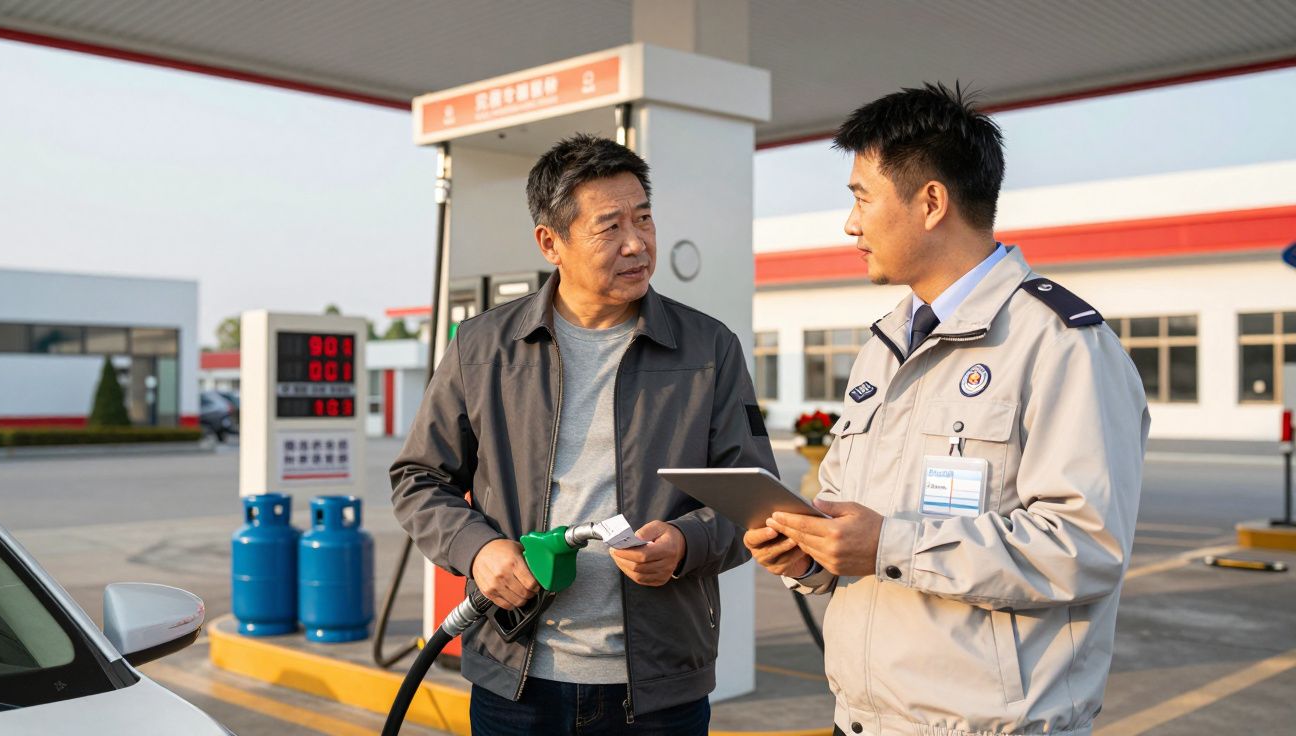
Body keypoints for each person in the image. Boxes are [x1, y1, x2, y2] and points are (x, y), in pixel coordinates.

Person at [744, 83, 1149, 736]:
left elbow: (1085, 548)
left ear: (931, 201)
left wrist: (889, 544)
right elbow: (859, 515)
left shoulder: (1060, 343)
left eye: (860, 198)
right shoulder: (886, 343)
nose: (850, 224)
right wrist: (811, 556)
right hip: (865, 720)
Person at [391, 133, 776, 735]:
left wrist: (684, 544)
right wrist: (479, 550)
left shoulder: (708, 348)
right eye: (610, 226)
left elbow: (753, 497)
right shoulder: (483, 347)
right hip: (514, 678)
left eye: (644, 218)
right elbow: (418, 479)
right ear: (551, 242)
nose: (637, 243)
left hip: (657, 688)